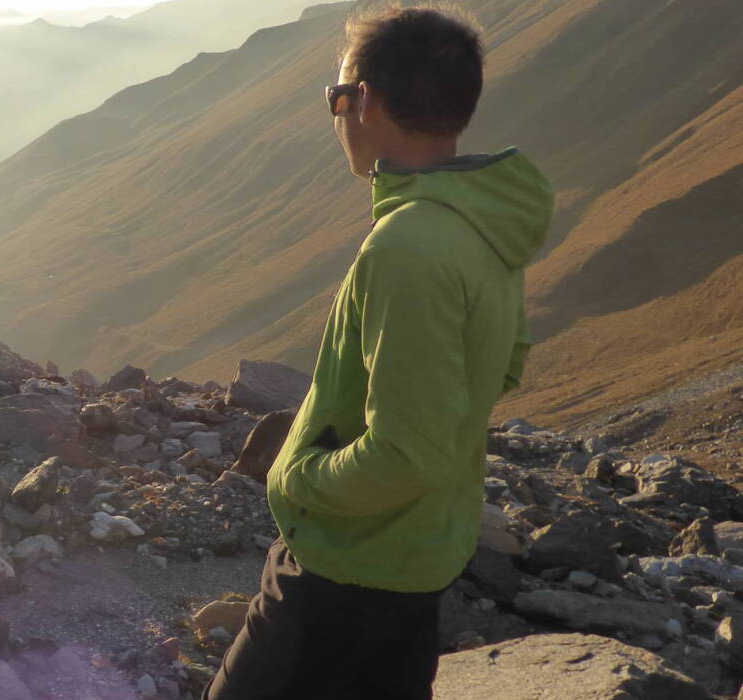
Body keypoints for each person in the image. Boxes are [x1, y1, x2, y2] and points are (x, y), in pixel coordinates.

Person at [206, 7, 553, 699]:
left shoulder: (408, 245)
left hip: (343, 576)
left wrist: (297, 477)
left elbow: (406, 452)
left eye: (335, 98)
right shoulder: (480, 220)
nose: (335, 115)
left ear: (362, 101)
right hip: (414, 560)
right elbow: (503, 364)